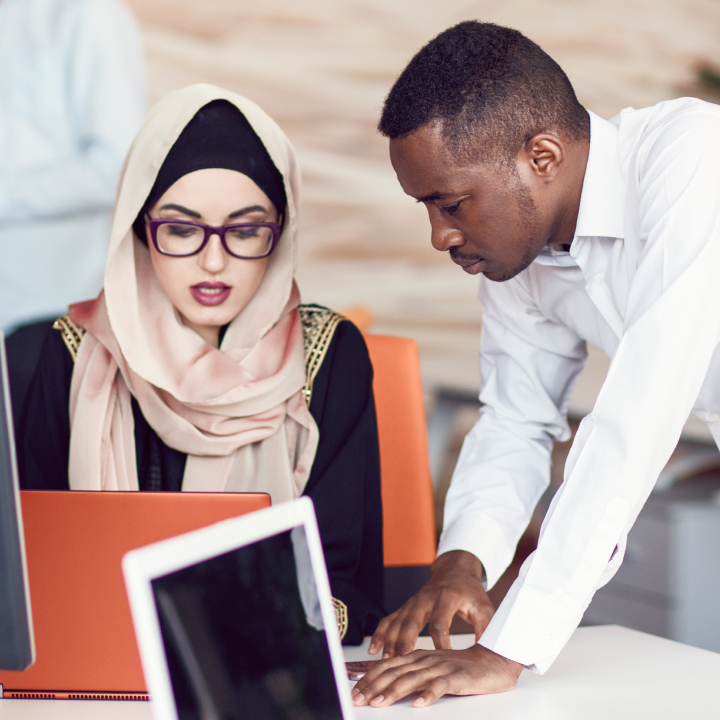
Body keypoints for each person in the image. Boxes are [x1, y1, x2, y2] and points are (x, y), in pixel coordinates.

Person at [351, 20, 720, 707]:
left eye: (452, 203)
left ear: (541, 157)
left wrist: (508, 649)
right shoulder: (522, 256)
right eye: (426, 209)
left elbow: (639, 414)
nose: (440, 235)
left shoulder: (693, 157)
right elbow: (516, 420)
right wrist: (462, 563)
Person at [18, 84, 385, 646]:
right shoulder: (69, 355)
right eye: (182, 229)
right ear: (140, 229)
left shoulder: (328, 355)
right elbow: (32, 571)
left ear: (281, 233)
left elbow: (344, 590)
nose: (213, 261)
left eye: (245, 231)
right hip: (95, 671)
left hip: (263, 676)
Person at [0, 0, 146, 416]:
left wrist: (6, 195)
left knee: (39, 474)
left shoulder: (88, 13)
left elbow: (119, 164)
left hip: (48, 314)